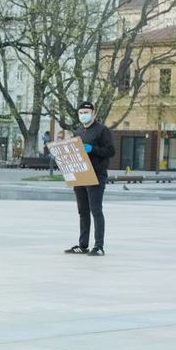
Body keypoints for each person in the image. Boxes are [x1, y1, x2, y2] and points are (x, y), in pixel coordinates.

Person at [67, 100, 116, 256]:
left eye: (86, 113)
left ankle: (99, 246)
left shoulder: (102, 131)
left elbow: (110, 151)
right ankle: (83, 245)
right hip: (81, 174)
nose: (83, 115)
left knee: (96, 210)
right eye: (81, 113)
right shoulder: (78, 131)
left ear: (93, 114)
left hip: (96, 174)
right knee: (83, 211)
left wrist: (92, 149)